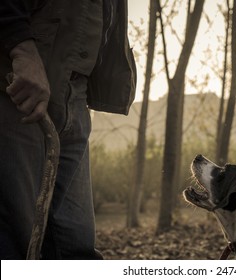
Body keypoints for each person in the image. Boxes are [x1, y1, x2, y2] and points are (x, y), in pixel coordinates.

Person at [0, 0, 136, 259]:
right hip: (18, 86)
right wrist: (21, 48)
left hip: (75, 93)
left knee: (75, 248)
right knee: (15, 243)